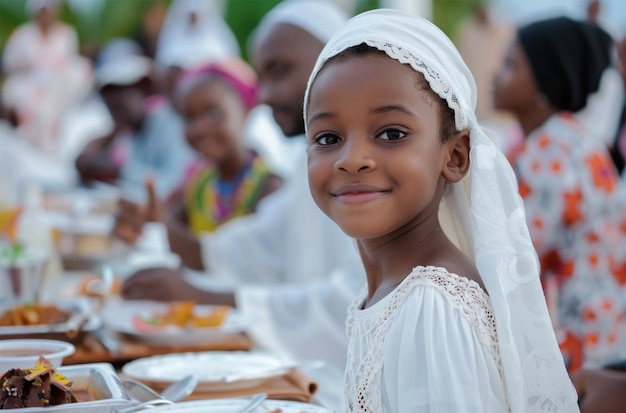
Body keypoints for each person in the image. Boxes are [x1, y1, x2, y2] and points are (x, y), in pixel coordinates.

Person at [303, 9, 578, 412]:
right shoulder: (390, 292)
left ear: (454, 156)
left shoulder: (431, 309)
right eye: (327, 137)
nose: (352, 159)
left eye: (391, 133)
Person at [114, 2, 363, 410]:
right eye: (261, 75)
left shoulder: (367, 175)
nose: (264, 95)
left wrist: (197, 293)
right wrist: (159, 223)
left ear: (335, 61)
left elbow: (354, 305)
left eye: (280, 70)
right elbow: (240, 252)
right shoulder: (308, 174)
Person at [493, 16, 626, 371]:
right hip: (609, 334)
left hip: (586, 348)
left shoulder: (549, 151)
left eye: (511, 66)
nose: (496, 75)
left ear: (543, 83)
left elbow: (515, 257)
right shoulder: (573, 139)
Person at [116, 57, 283, 247]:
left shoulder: (268, 188)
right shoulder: (199, 183)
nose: (200, 128)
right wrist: (146, 219)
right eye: (189, 117)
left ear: (245, 112)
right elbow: (169, 231)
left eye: (212, 114)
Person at [75, 53, 196, 197]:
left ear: (143, 90)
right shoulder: (130, 132)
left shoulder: (169, 124)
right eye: (110, 108)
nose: (115, 114)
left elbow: (172, 185)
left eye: (119, 106)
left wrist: (120, 170)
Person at [2, 0, 92, 156]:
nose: (45, 15)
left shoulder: (67, 34)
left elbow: (71, 65)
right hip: (28, 88)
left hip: (57, 90)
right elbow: (8, 65)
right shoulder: (23, 35)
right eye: (42, 10)